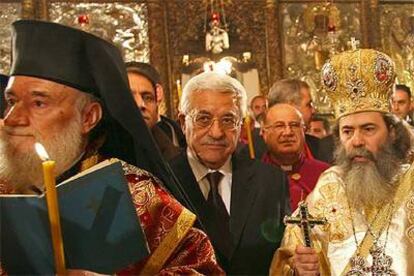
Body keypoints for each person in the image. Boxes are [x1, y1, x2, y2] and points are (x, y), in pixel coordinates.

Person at [0, 20, 223, 275]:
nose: (12, 118)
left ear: (88, 117)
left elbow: (204, 270)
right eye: (11, 101)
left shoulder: (138, 197)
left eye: (39, 103)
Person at [270, 49, 414, 275]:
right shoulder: (328, 188)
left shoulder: (411, 183)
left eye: (368, 129)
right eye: (347, 131)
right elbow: (291, 258)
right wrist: (300, 269)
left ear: (392, 132)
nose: (356, 141)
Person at [169, 72, 290, 274]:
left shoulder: (270, 181)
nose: (216, 132)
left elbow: (282, 257)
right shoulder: (161, 182)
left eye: (228, 120)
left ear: (240, 125)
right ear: (183, 122)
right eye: (203, 119)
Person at [261, 104, 329, 210]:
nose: (288, 132)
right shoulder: (252, 178)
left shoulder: (325, 174)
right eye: (279, 126)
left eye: (294, 125)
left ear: (304, 131)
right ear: (265, 134)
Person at [125, 62, 184, 160]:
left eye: (147, 97)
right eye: (130, 97)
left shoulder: (177, 150)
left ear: (158, 94)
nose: (141, 104)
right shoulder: (96, 156)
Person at [268, 79, 334, 163]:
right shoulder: (255, 150)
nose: (313, 111)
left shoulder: (320, 147)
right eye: (308, 104)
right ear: (290, 107)